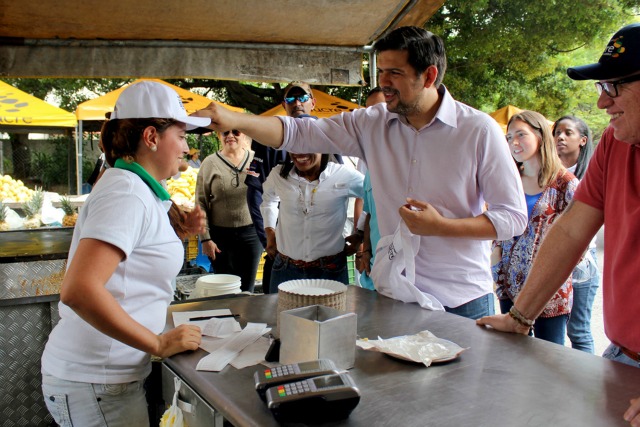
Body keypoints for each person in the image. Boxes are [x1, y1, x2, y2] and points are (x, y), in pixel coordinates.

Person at [195, 26, 527, 319]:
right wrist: (234, 119)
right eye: (380, 72)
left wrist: (442, 227)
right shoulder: (372, 123)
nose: (383, 84)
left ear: (428, 76)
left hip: (461, 300)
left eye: (394, 73)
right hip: (394, 295)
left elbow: (513, 218)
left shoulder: (478, 131)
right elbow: (299, 133)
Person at [477, 23, 640, 425]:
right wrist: (519, 316)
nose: (603, 104)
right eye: (601, 87)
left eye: (614, 86)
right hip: (623, 357)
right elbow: (569, 230)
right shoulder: (614, 146)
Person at [40, 81, 205, 426]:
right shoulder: (126, 191)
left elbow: (132, 259)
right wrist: (157, 344)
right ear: (151, 137)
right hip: (96, 380)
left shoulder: (134, 187)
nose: (187, 148)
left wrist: (178, 232)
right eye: (182, 135)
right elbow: (79, 290)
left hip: (105, 379)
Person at [492, 111, 578, 344]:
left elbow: (578, 239)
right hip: (509, 286)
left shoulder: (565, 183)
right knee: (510, 358)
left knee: (546, 363)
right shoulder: (510, 181)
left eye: (521, 134)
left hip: (548, 293)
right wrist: (496, 267)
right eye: (509, 137)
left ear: (541, 136)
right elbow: (497, 229)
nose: (514, 143)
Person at [261, 151, 364, 291]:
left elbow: (374, 198)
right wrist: (270, 232)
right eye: (294, 146)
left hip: (330, 272)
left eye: (308, 145)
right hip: (285, 270)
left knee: (331, 313)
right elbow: (268, 200)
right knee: (281, 313)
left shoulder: (344, 175)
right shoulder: (279, 174)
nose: (300, 152)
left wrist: (361, 234)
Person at [553, 115, 599, 353]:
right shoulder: (545, 173)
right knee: (553, 330)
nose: (560, 137)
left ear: (582, 140)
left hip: (582, 266)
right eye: (557, 132)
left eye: (567, 132)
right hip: (551, 262)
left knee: (578, 331)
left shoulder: (592, 175)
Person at [196, 128, 263, 292]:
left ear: (244, 135)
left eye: (236, 132)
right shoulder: (209, 163)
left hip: (251, 235)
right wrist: (205, 238)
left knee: (247, 288)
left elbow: (271, 195)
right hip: (220, 237)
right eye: (225, 133)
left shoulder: (257, 160)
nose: (230, 136)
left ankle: (245, 318)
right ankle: (225, 318)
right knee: (224, 288)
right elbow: (200, 202)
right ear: (219, 136)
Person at [355, 87, 386, 290]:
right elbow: (368, 212)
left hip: (407, 280)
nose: (373, 118)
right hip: (374, 273)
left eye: (380, 110)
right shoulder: (369, 160)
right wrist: (363, 249)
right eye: (368, 113)